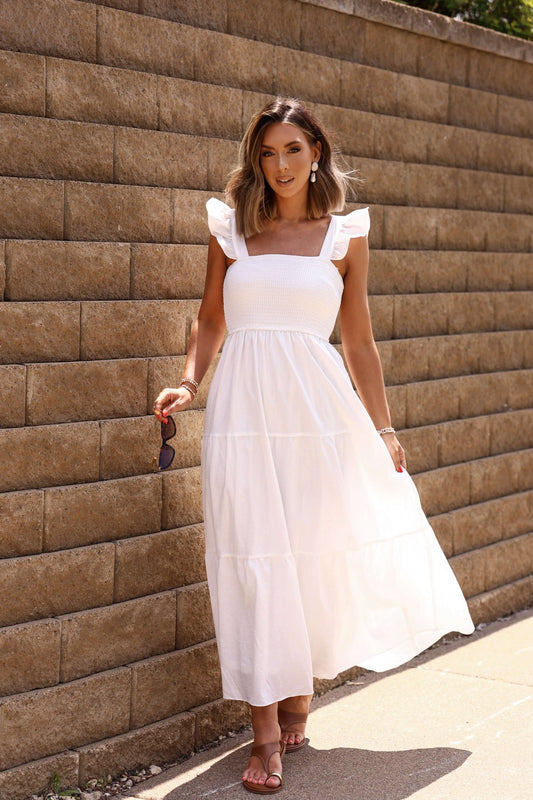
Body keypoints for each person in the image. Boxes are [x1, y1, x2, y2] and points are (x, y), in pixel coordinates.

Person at [153, 97, 475, 795]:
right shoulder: (231, 230)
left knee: (303, 552)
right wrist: (188, 382)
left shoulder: (344, 237)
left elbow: (358, 342)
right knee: (252, 556)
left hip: (316, 412)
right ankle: (264, 734)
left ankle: (297, 699)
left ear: (316, 152)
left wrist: (384, 429)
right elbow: (211, 318)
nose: (280, 165)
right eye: (267, 153)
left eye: (292, 150)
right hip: (243, 411)